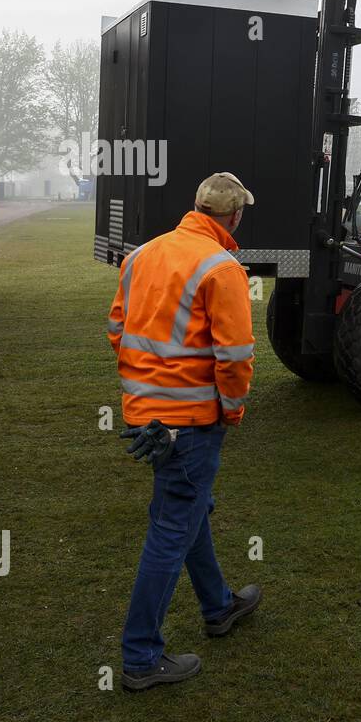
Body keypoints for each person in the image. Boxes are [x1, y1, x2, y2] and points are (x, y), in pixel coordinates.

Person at [107, 172, 262, 692]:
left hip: (147, 419)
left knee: (188, 507)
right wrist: (232, 412)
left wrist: (148, 390)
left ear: (196, 207)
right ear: (234, 216)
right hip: (192, 422)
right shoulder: (221, 267)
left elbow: (116, 329)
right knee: (172, 528)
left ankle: (219, 606)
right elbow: (235, 357)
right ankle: (140, 658)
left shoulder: (142, 254)